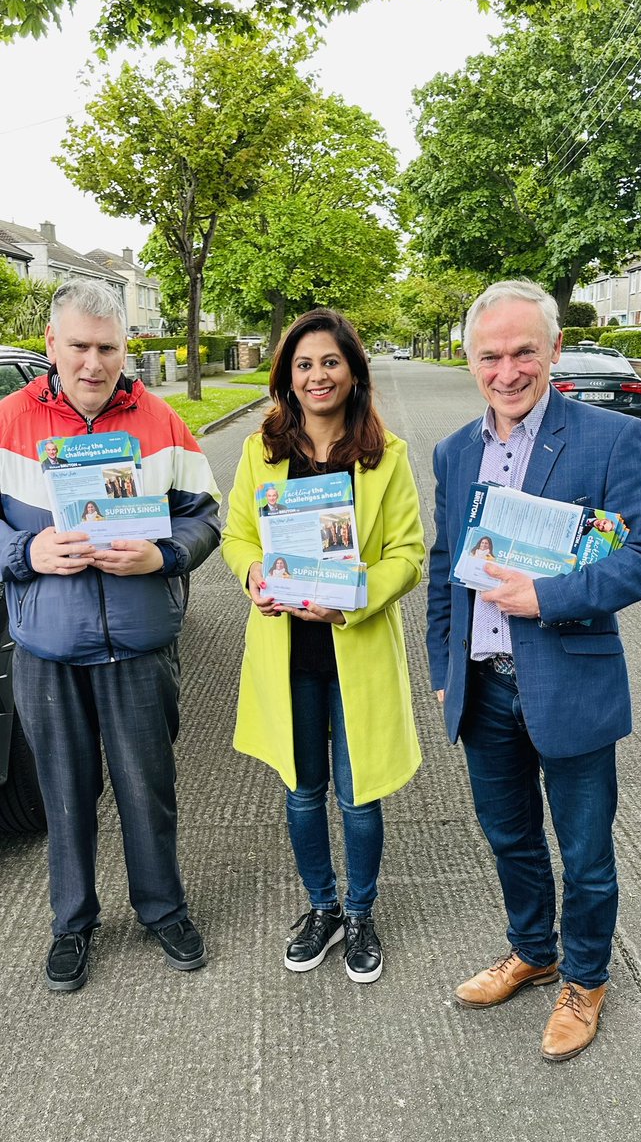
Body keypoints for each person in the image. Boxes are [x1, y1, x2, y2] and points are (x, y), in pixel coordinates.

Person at [426, 279, 641, 1061]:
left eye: (523, 351)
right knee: (509, 840)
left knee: (585, 853)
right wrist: (442, 665)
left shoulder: (605, 439)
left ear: (553, 350)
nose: (507, 370)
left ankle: (586, 979)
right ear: (470, 361)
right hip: (483, 687)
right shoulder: (455, 450)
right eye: (490, 355)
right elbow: (443, 571)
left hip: (569, 682)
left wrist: (551, 594)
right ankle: (532, 952)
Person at [0, 279, 222, 992]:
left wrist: (165, 554)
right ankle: (73, 922)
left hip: (139, 642)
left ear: (126, 349)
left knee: (147, 787)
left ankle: (163, 909)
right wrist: (23, 554)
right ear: (50, 346)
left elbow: (206, 514)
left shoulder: (160, 422)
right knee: (64, 793)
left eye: (107, 348)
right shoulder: (6, 422)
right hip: (48, 648)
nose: (93, 363)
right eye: (78, 347)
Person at [222, 307, 424, 984]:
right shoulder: (262, 451)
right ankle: (322, 909)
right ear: (287, 376)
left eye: (329, 362)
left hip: (352, 645)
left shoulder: (384, 456)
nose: (316, 376)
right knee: (304, 793)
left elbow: (407, 554)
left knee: (357, 794)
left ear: (352, 371)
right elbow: (238, 536)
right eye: (303, 364)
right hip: (287, 654)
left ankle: (361, 914)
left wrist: (352, 603)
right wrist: (253, 573)